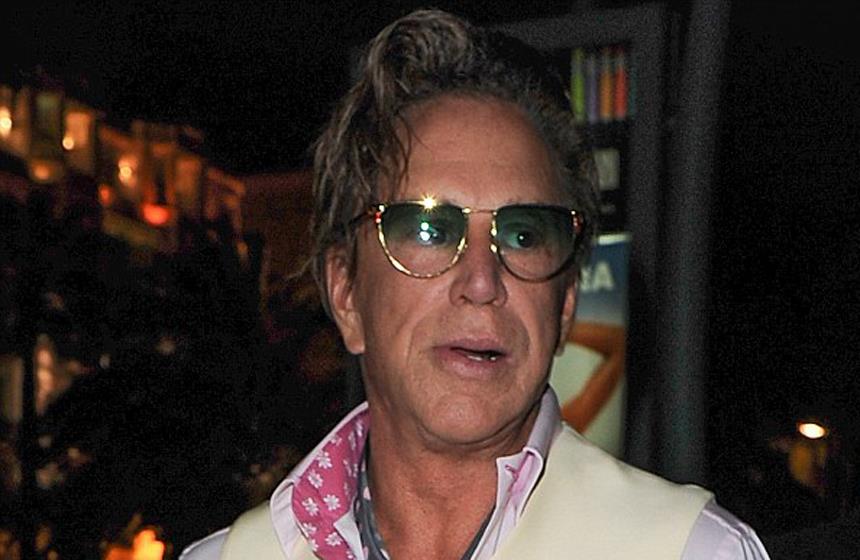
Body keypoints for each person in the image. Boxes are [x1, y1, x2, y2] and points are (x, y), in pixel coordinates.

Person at [181, 9, 769, 559]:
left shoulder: (689, 550)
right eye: (429, 228)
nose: (483, 280)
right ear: (346, 294)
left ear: (565, 304)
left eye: (523, 234)